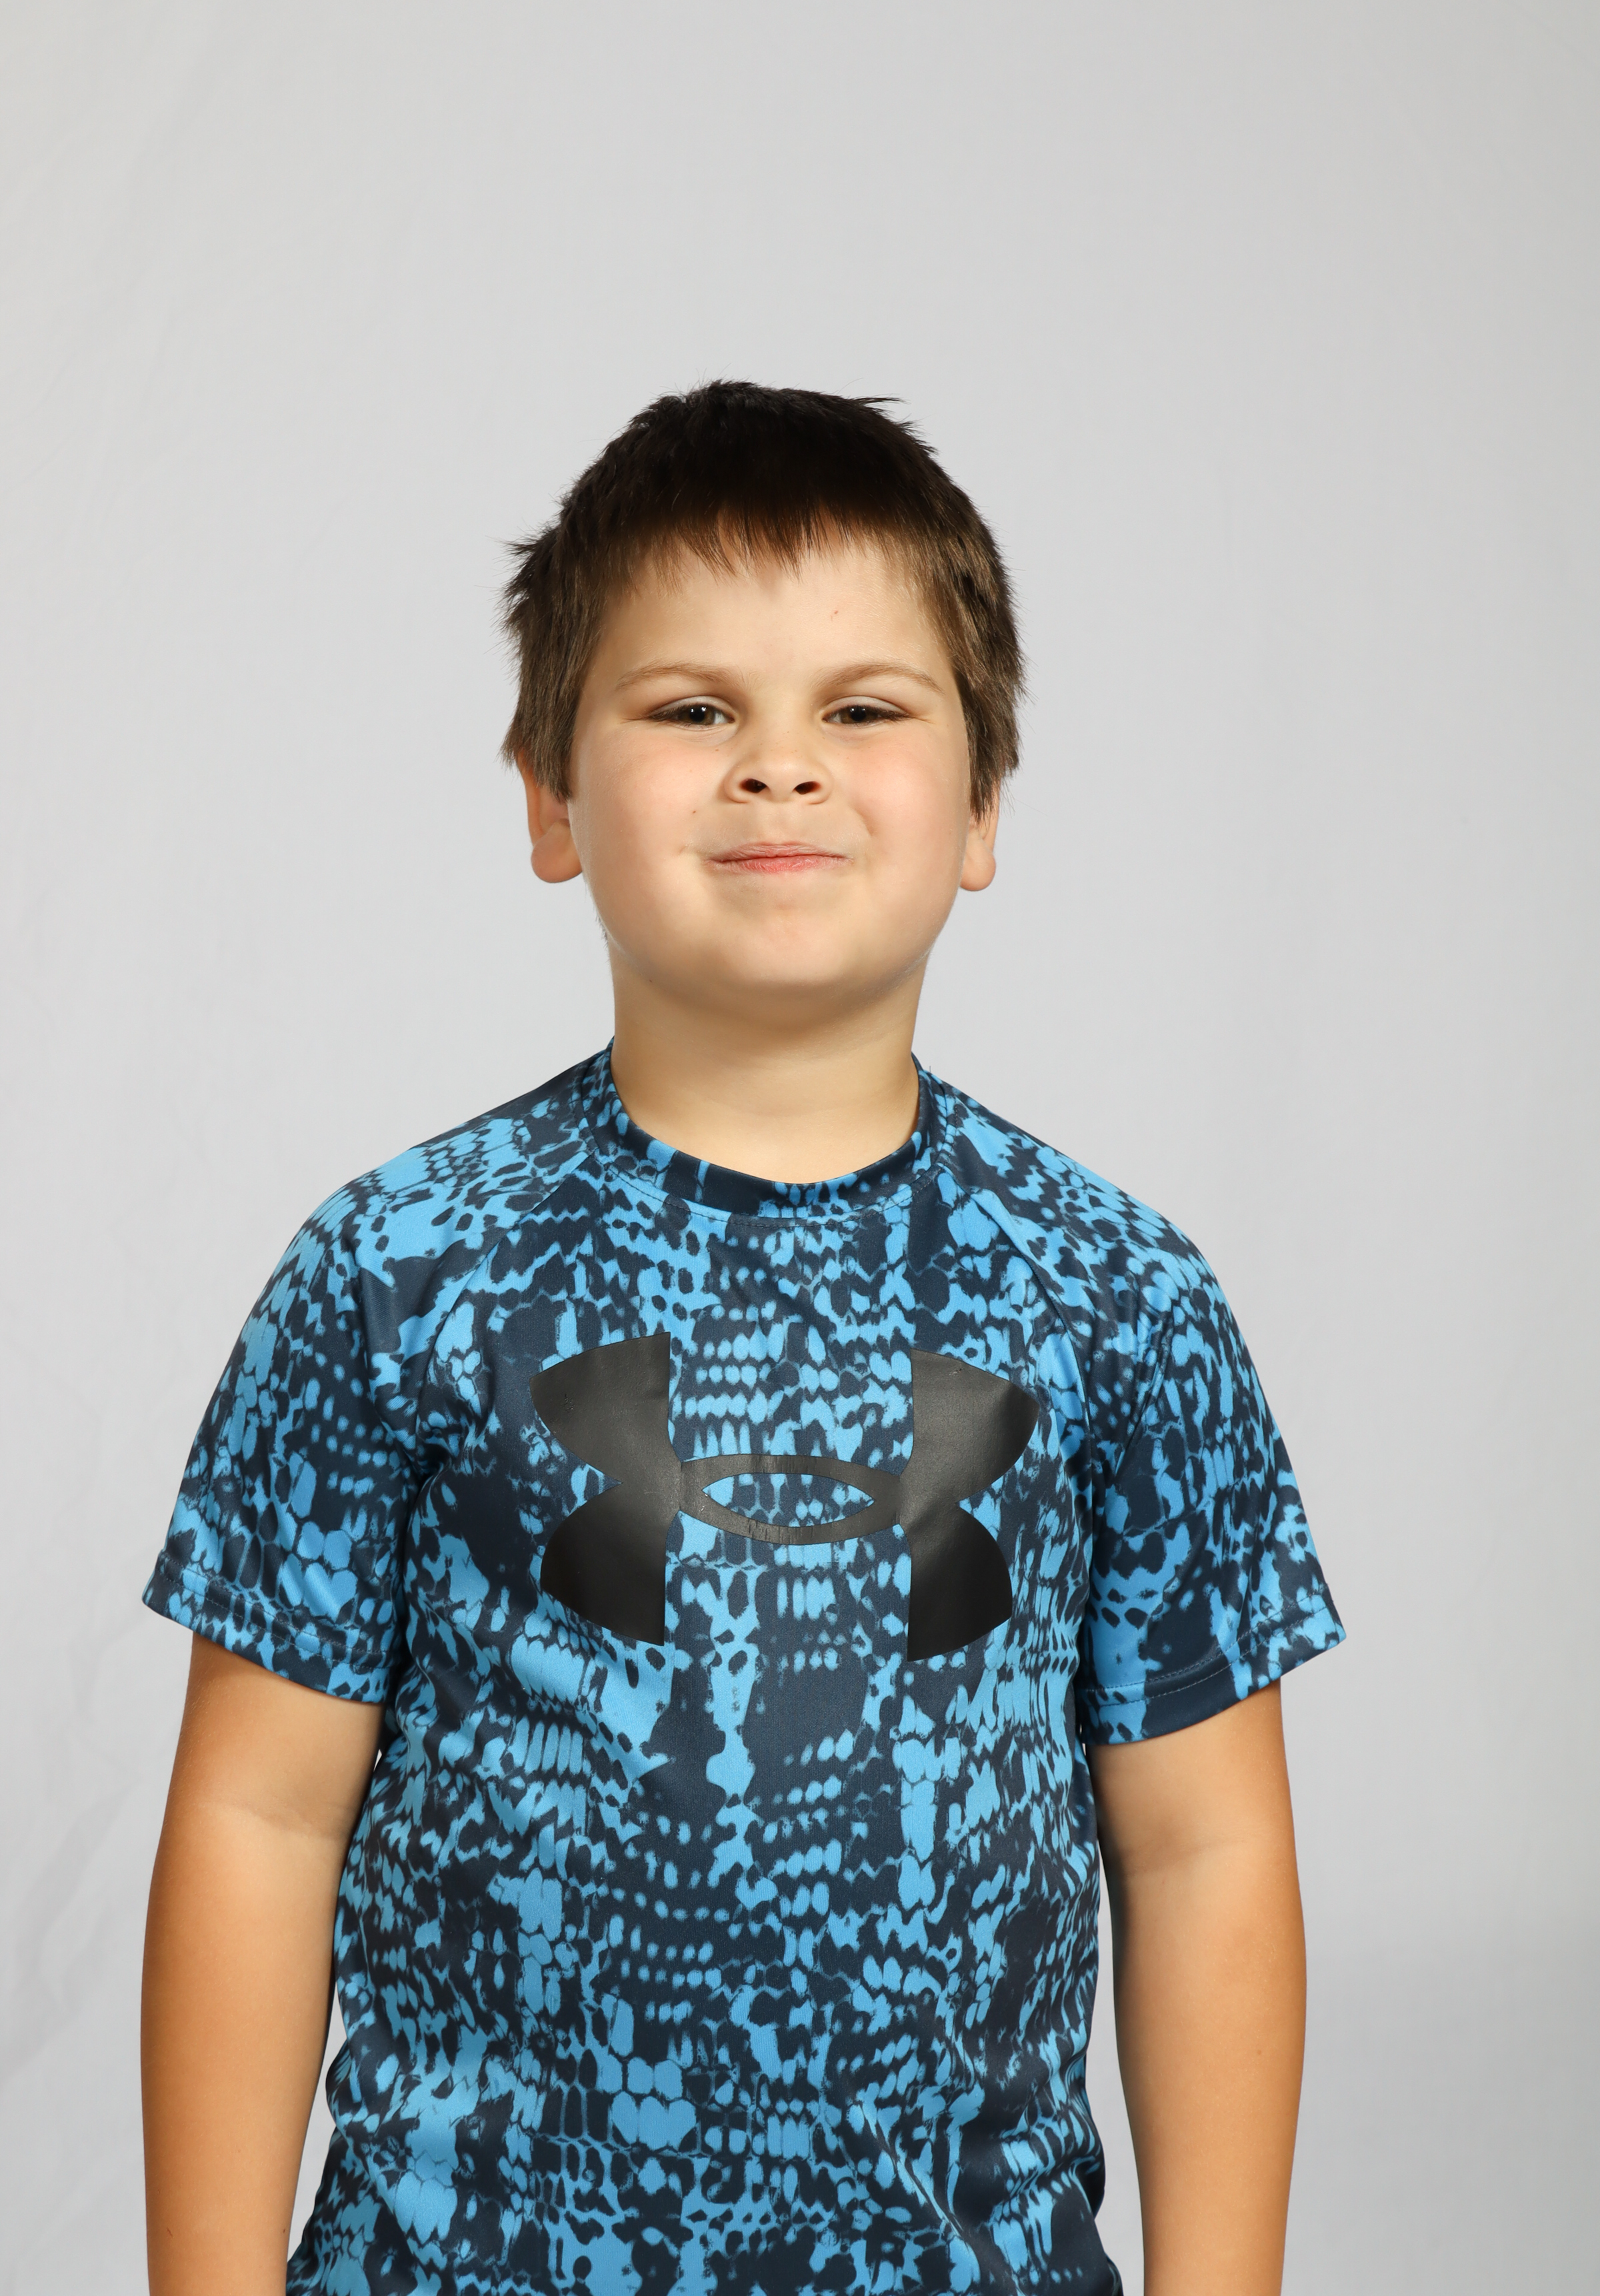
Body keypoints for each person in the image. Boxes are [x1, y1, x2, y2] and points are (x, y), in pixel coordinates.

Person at [141, 381, 1342, 2296]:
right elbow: (257, 1820)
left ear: (983, 806)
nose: (779, 768)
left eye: (864, 712)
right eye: (694, 709)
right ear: (549, 796)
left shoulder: (1120, 1297)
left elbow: (1204, 1857)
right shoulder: (396, 1275)